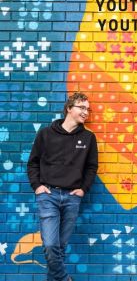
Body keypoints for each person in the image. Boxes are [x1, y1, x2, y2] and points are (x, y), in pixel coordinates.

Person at [27, 92, 98, 281]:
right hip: (48, 195)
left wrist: (83, 189)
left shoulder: (88, 138)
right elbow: (33, 162)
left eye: (87, 109)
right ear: (69, 108)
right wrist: (37, 187)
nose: (86, 112)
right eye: (82, 108)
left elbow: (92, 167)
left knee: (60, 248)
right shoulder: (45, 133)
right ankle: (65, 278)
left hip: (72, 197)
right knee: (51, 245)